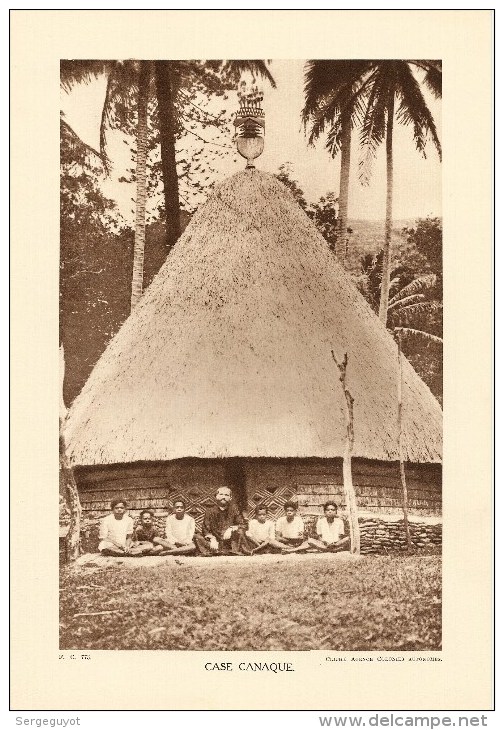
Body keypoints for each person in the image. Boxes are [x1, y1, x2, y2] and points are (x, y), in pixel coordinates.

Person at [194, 487, 248, 556]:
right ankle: (216, 551)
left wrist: (231, 529)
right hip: (215, 542)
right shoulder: (209, 511)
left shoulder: (234, 510)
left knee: (240, 532)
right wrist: (212, 539)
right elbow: (205, 529)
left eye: (226, 495)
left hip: (230, 542)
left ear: (230, 498)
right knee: (197, 536)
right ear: (216, 496)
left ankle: (232, 551)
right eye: (221, 494)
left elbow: (243, 524)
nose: (223, 497)